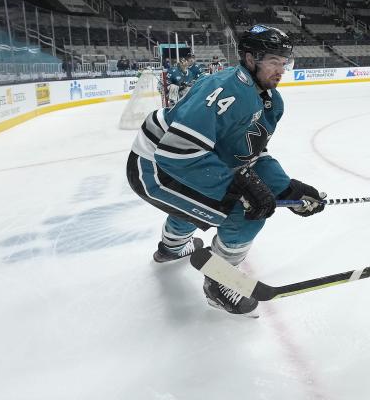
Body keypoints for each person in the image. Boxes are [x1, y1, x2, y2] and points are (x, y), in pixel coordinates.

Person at [125, 25, 327, 316]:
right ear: (249, 58)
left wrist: (288, 188)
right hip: (155, 167)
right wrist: (239, 189)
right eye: (273, 61)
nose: (280, 70)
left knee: (208, 199)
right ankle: (219, 283)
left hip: (176, 162)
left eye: (284, 63)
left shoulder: (270, 100)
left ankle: (171, 247)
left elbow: (248, 154)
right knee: (245, 208)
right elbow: (177, 153)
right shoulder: (225, 89)